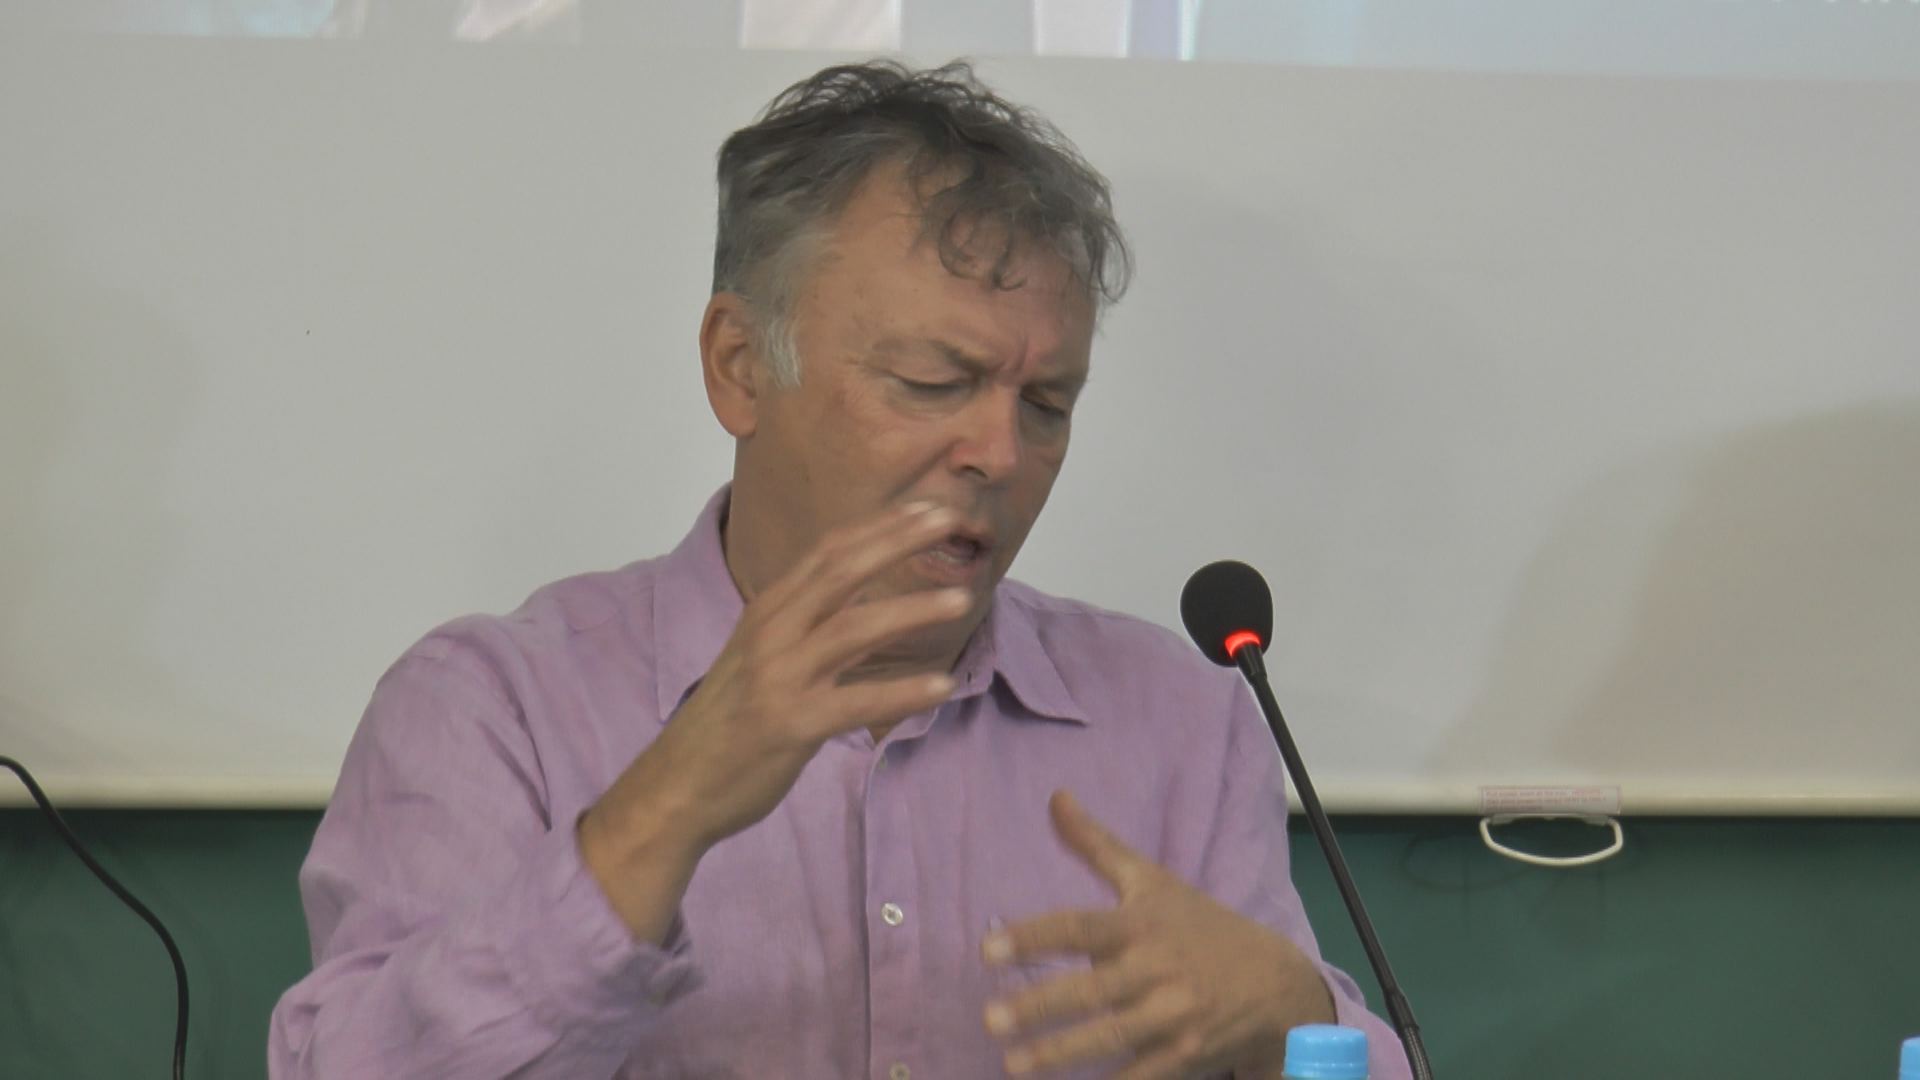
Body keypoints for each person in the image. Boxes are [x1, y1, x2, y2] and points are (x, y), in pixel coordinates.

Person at [268, 59, 1412, 1079]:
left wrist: (1291, 1018)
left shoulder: (1179, 724)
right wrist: (663, 812)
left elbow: (1334, 1053)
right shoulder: (490, 710)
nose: (999, 452)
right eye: (932, 383)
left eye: (1047, 404)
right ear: (739, 366)